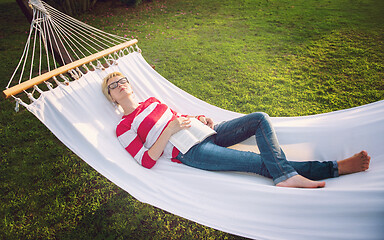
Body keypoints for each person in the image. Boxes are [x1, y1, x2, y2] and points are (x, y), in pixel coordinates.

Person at [102, 72, 371, 188]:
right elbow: (146, 160)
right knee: (257, 162)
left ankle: (285, 174)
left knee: (259, 118)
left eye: (123, 80)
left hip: (206, 132)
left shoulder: (153, 102)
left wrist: (199, 118)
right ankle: (332, 168)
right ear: (112, 98)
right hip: (191, 150)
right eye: (114, 86)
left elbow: (179, 117)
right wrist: (168, 130)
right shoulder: (124, 127)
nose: (120, 85)